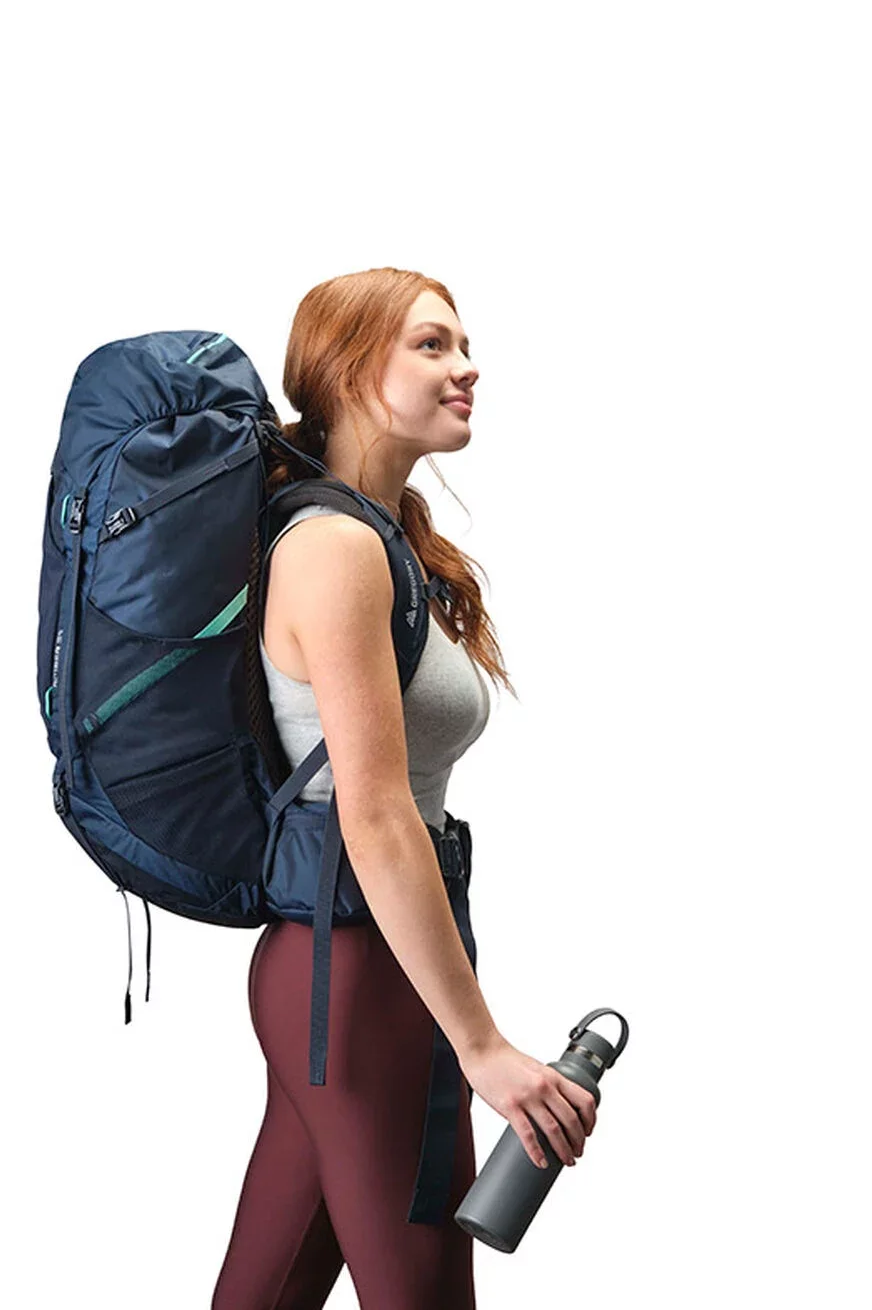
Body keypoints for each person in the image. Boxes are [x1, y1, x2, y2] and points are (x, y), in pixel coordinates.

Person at [211, 267, 596, 1309]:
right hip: (355, 977)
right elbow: (376, 814)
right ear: (348, 369)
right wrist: (483, 1048)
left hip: (347, 967)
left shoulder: (373, 537)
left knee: (267, 1289)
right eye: (431, 344)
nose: (466, 367)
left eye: (462, 344)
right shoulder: (335, 549)